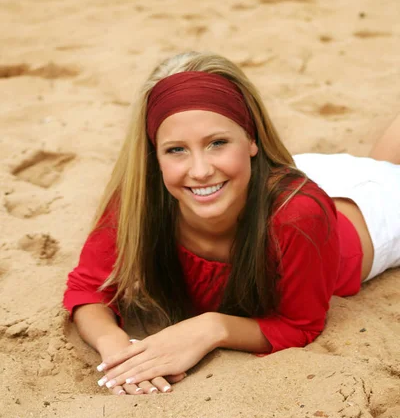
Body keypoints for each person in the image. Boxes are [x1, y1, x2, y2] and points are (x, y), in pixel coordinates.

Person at [63, 51, 400, 397]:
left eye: (217, 142)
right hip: (253, 180)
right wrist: (116, 347)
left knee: (386, 174)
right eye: (176, 149)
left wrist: (212, 328)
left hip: (378, 213)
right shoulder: (140, 199)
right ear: (155, 155)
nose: (199, 169)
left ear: (251, 139)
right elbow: (87, 288)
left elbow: (300, 325)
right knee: (373, 164)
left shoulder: (298, 215)